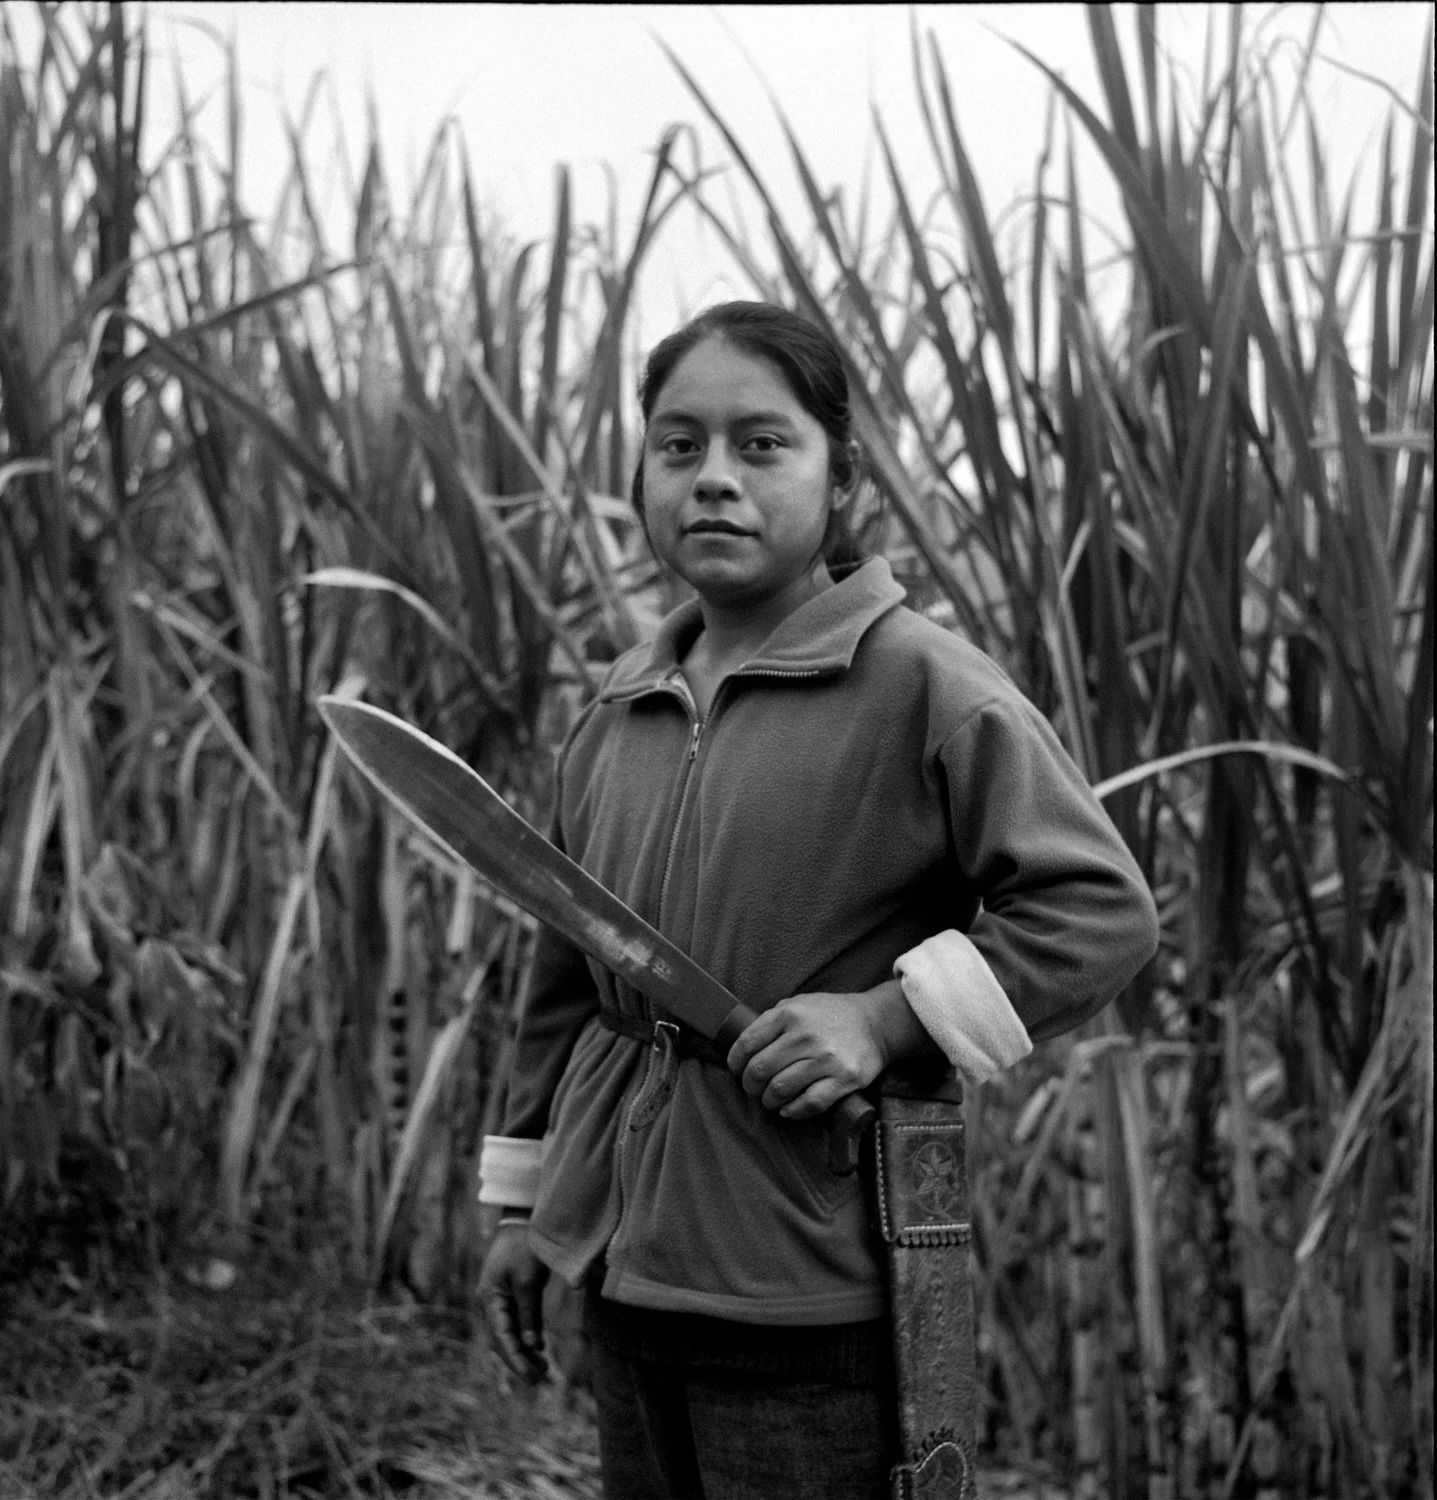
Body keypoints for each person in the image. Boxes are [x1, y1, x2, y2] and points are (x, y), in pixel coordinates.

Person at [476, 301, 1158, 1499]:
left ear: (841, 479)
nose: (714, 478)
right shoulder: (619, 709)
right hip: (623, 1264)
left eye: (761, 445)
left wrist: (881, 1021)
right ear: (641, 477)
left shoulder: (923, 684)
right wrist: (522, 1208)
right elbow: (564, 976)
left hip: (809, 1277)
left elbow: (1100, 909)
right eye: (679, 445)